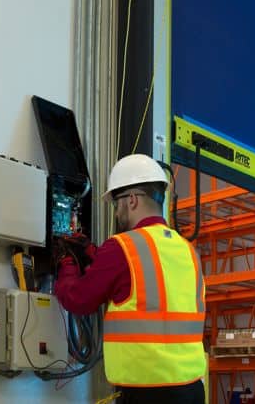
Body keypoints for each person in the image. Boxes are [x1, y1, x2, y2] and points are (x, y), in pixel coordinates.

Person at [55, 154, 206, 404]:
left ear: (132, 200)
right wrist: (94, 255)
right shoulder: (188, 251)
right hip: (191, 390)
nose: (116, 213)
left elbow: (78, 299)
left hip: (149, 394)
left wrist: (66, 263)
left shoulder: (123, 247)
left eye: (116, 203)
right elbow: (145, 286)